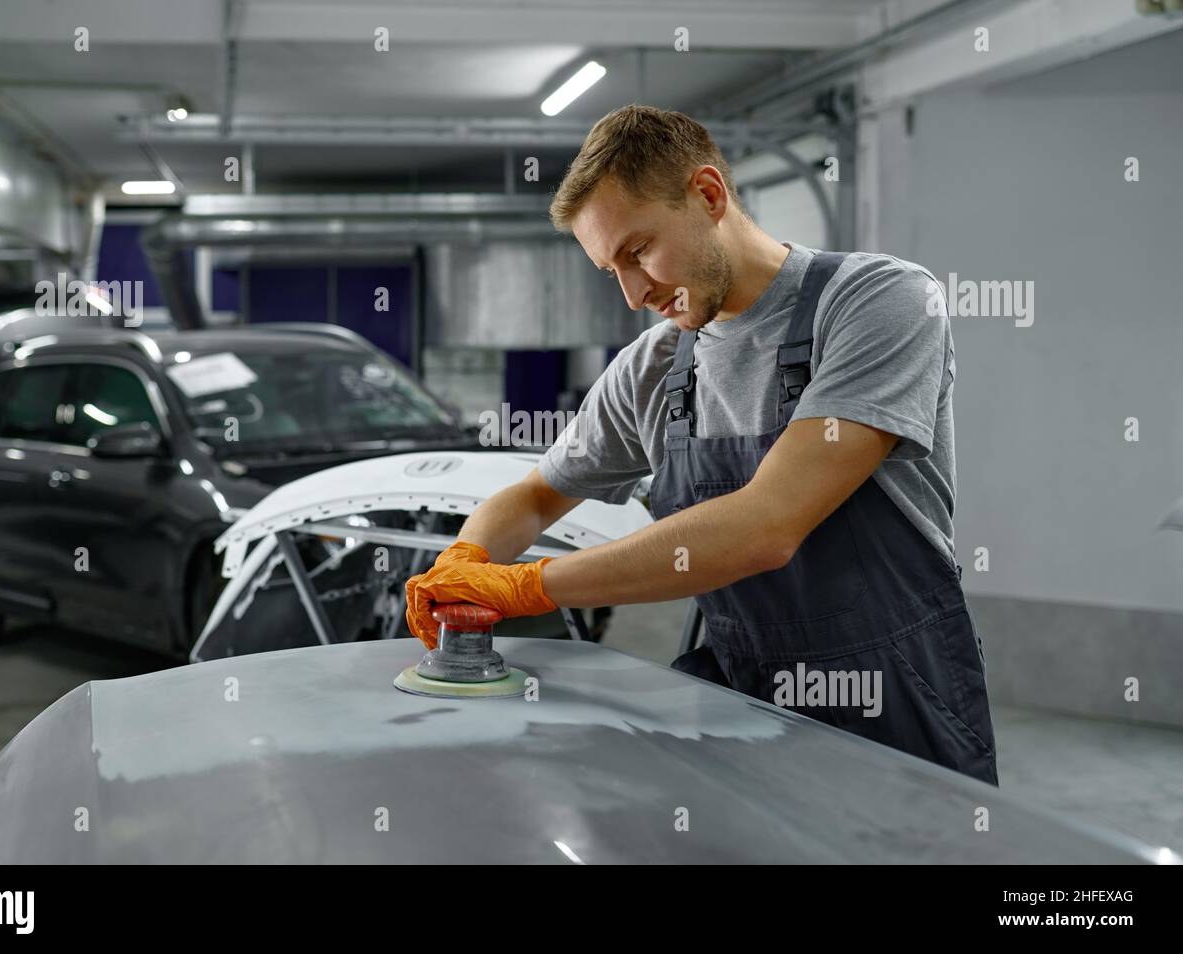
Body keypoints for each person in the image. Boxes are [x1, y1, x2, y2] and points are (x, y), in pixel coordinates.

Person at [405, 105, 998, 786]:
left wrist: (525, 587)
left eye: (639, 252)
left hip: (894, 701)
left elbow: (766, 526)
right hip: (739, 696)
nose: (633, 293)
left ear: (709, 195)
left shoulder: (877, 302)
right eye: (610, 271)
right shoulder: (654, 367)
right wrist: (464, 559)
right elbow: (536, 496)